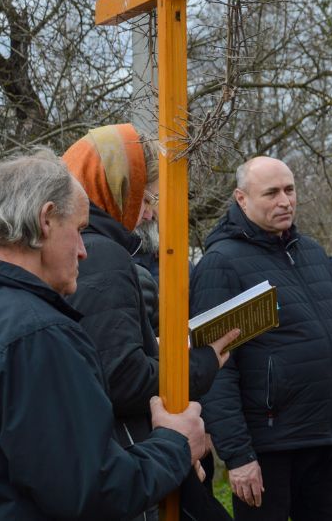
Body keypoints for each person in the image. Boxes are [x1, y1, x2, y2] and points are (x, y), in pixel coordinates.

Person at [0, 149, 207, 520]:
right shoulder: (37, 334)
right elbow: (94, 492)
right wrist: (175, 444)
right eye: (80, 230)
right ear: (46, 219)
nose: (83, 251)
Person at [62, 124, 236, 521]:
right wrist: (202, 362)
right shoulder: (102, 256)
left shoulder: (89, 251)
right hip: (130, 457)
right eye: (144, 196)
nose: (150, 211)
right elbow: (121, 377)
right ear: (113, 187)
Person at [190, 156, 332, 520]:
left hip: (325, 443)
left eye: (290, 190)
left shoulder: (313, 254)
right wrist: (238, 455)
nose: (285, 201)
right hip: (266, 450)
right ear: (241, 199)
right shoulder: (221, 263)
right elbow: (217, 371)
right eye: (271, 193)